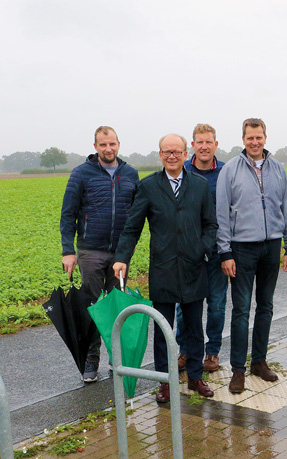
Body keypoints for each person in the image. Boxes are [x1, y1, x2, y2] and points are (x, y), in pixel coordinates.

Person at [113, 133, 218, 403]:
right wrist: (122, 257)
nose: (172, 156)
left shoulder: (199, 185)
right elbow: (132, 227)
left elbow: (210, 223)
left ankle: (195, 376)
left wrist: (203, 248)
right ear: (160, 155)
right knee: (163, 328)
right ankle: (166, 381)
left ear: (186, 153)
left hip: (194, 267)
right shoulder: (148, 187)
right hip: (163, 268)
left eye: (177, 151)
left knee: (195, 327)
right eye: (166, 152)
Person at [216, 118, 287, 394]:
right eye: (250, 138)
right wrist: (225, 251)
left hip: (271, 246)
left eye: (259, 137)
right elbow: (222, 214)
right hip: (241, 248)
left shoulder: (278, 169)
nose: (254, 142)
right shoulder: (230, 170)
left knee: (266, 306)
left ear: (265, 138)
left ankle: (259, 362)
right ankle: (238, 369)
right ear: (243, 139)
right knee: (241, 310)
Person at [60, 126, 139, 383]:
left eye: (112, 144)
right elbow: (68, 213)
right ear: (96, 147)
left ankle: (116, 358)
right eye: (103, 144)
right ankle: (90, 360)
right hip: (90, 251)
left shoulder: (130, 174)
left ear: (118, 144)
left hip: (120, 253)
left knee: (117, 305)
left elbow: (137, 214)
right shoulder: (81, 174)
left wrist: (127, 252)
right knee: (93, 306)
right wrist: (68, 251)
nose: (108, 149)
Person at [175, 124, 227, 373]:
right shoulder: (180, 170)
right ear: (192, 146)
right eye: (199, 142)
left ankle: (212, 352)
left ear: (216, 144)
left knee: (216, 304)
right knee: (184, 305)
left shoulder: (226, 173)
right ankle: (184, 350)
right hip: (188, 251)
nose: (204, 146)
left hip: (218, 249)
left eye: (209, 142)